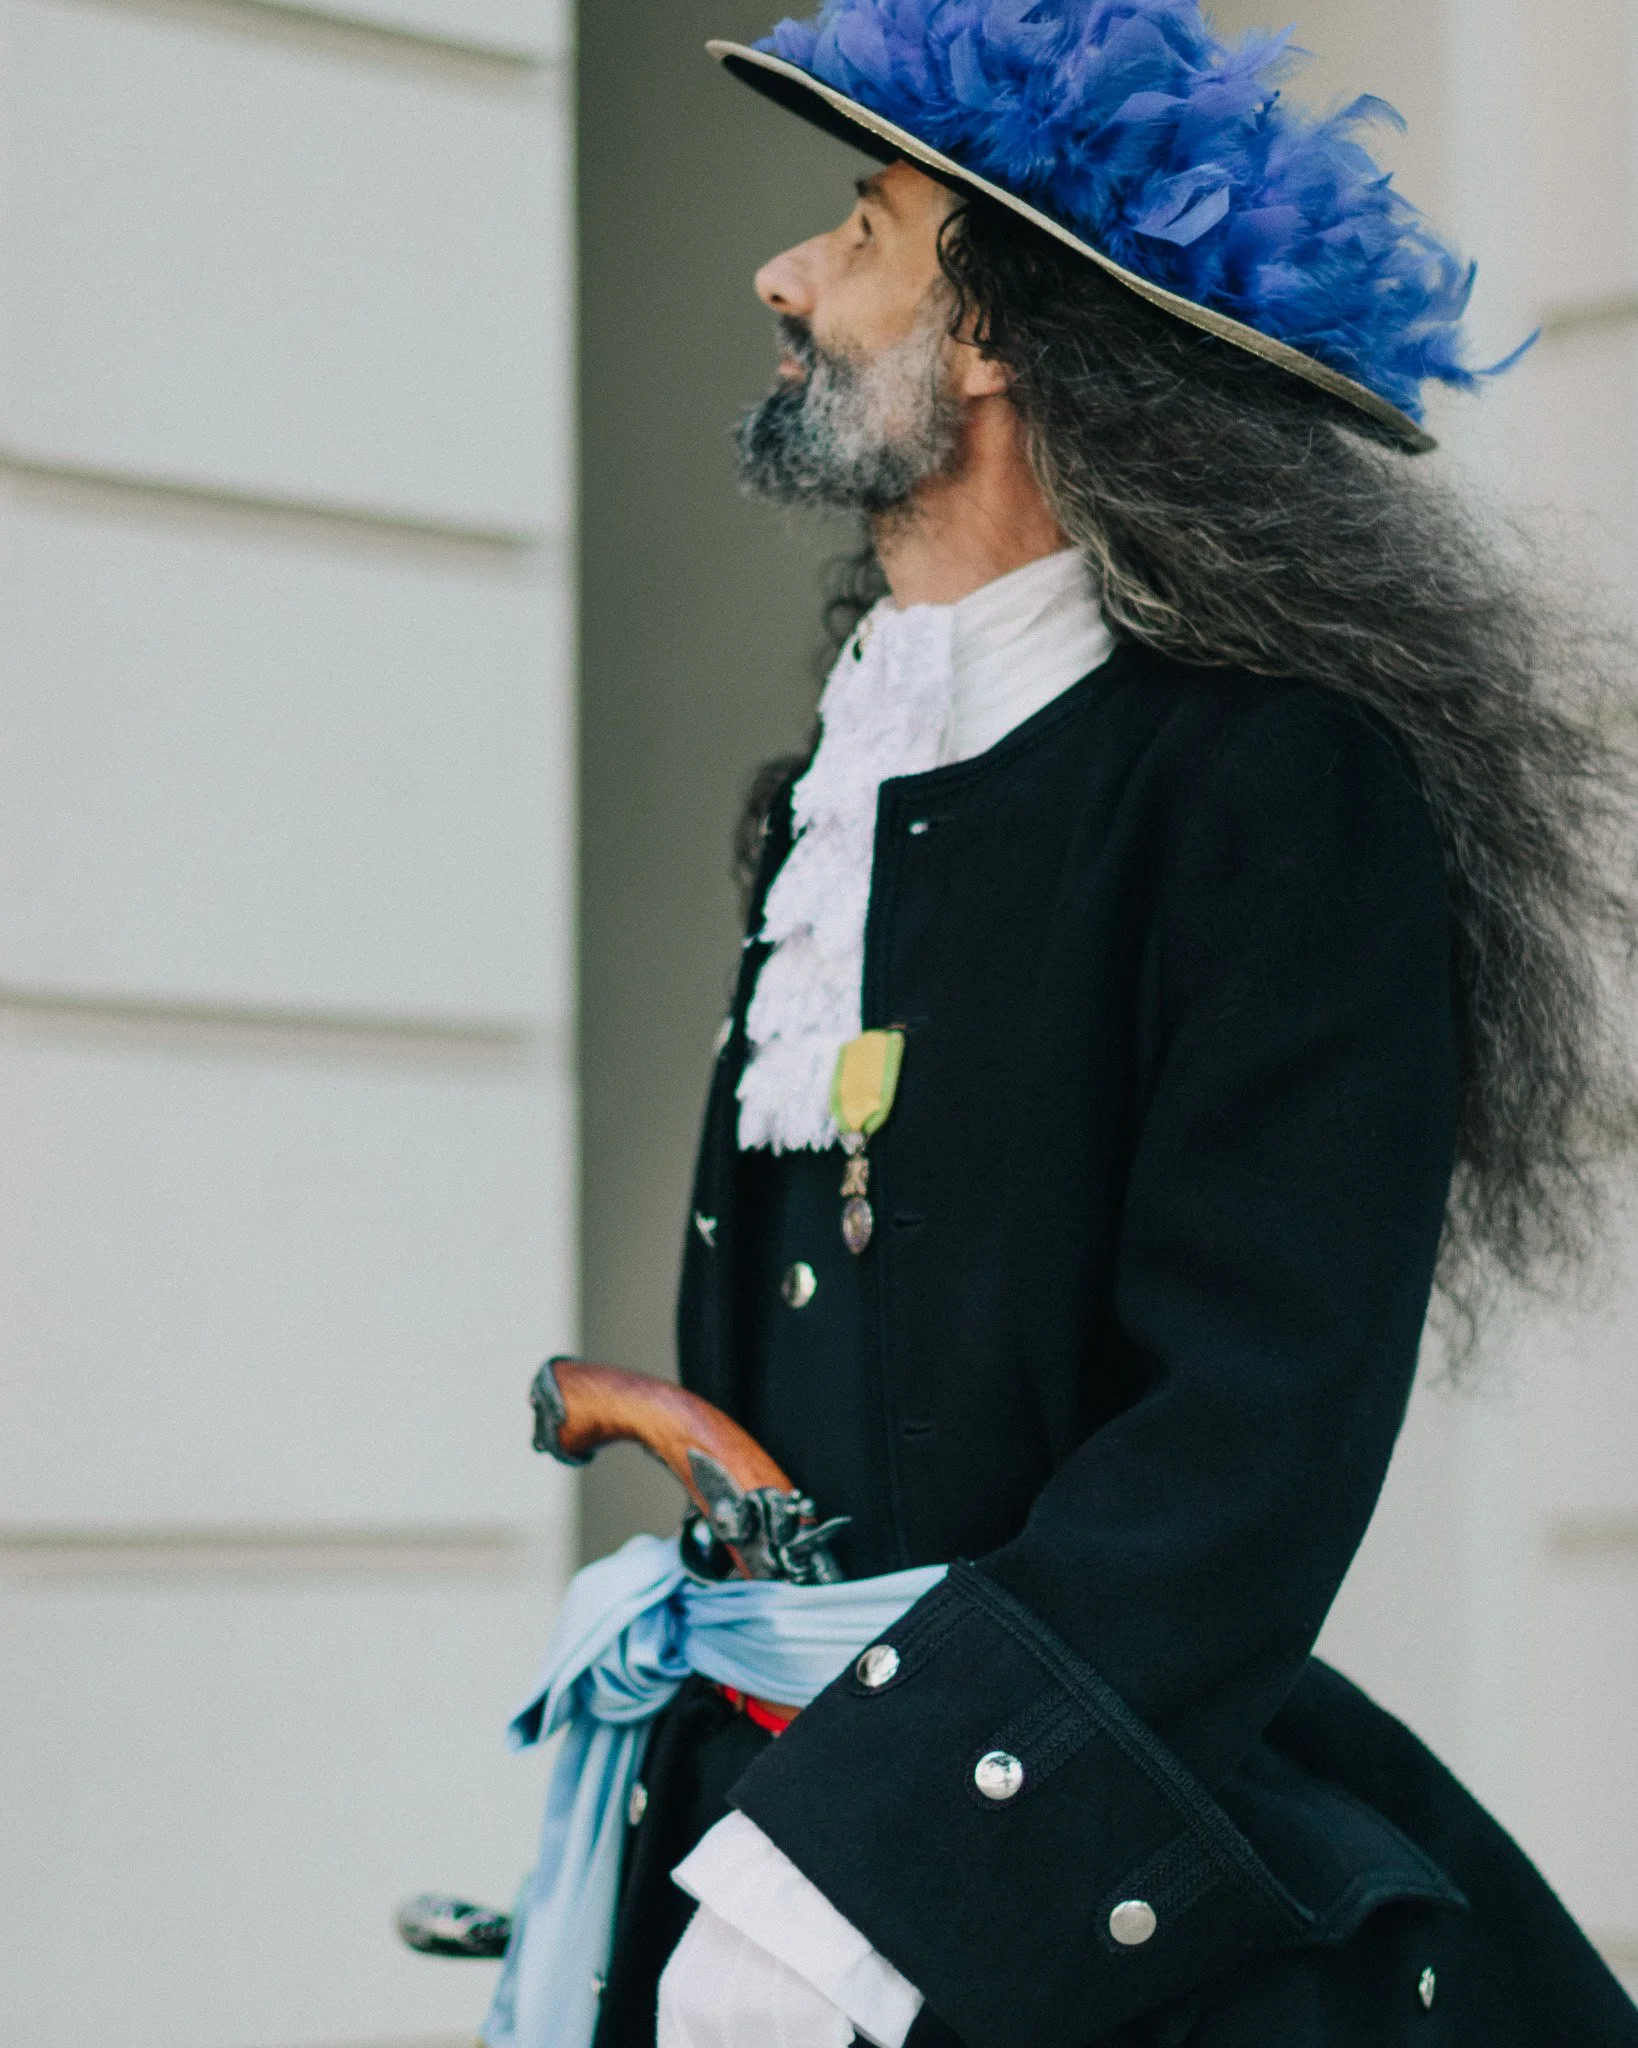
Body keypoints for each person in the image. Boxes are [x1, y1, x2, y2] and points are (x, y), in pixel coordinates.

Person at [487, 4, 1638, 2044]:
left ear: (998, 334)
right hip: (763, 1794)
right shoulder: (860, 760)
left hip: (1020, 1857)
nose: (784, 275)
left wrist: (849, 1891)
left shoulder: (1272, 787)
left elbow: (1241, 1452)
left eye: (861, 230)